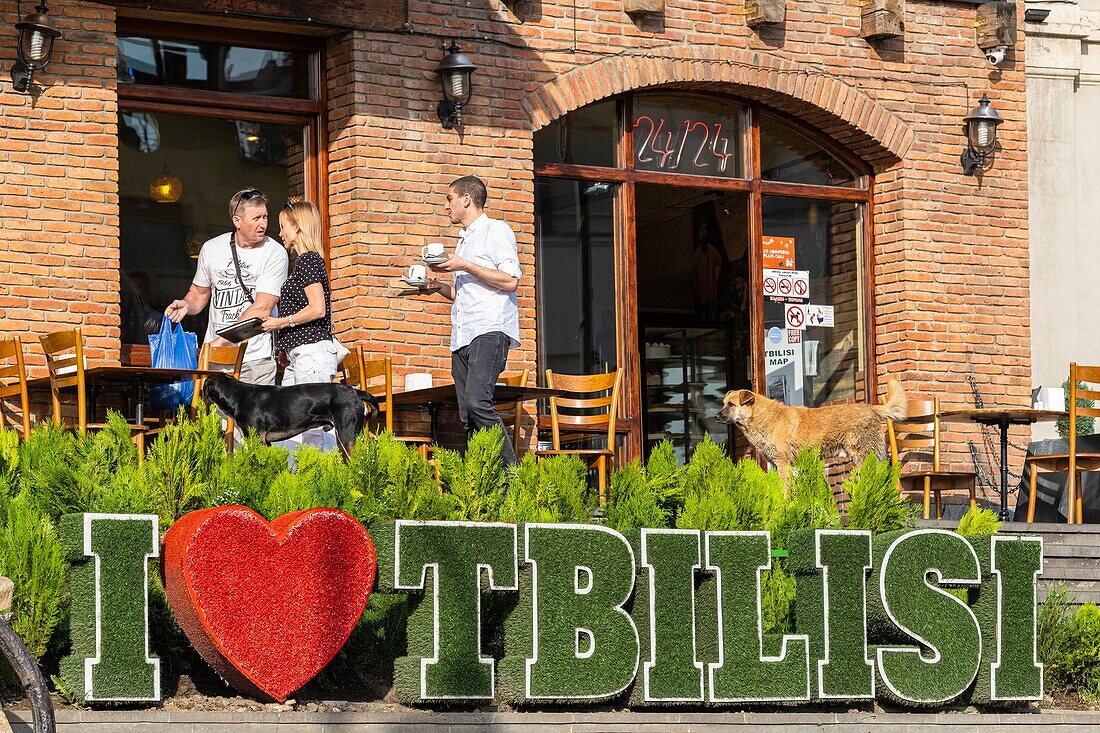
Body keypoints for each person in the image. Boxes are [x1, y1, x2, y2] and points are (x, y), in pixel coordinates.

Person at [423, 175, 522, 466]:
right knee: (467, 414)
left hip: (489, 329)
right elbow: (463, 293)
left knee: (479, 403)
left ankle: (511, 476)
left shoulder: (496, 230)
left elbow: (511, 280)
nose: (446, 206)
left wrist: (464, 263)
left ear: (466, 199)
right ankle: (484, 485)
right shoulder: (463, 241)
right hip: (462, 335)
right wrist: (437, 287)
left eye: (449, 199)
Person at [165, 188, 288, 385]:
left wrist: (221, 341)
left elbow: (262, 307)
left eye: (265, 217)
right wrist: (186, 305)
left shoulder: (274, 253)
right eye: (256, 218)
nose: (263, 223)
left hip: (255, 358)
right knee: (215, 416)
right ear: (237, 221)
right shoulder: (211, 248)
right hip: (217, 359)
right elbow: (198, 293)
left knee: (252, 416)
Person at [260, 200, 340, 452]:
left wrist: (280, 323)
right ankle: (297, 484)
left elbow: (318, 308)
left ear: (298, 227)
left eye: (283, 226)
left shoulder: (307, 261)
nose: (281, 232)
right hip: (301, 355)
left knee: (312, 428)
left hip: (311, 354)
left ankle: (322, 484)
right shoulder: (307, 262)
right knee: (289, 429)